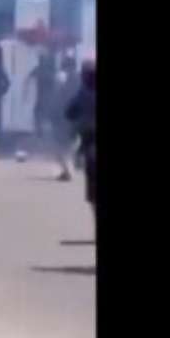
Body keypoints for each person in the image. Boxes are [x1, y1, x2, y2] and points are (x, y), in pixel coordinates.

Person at [66, 60, 96, 227]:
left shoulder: (82, 93)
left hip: (89, 141)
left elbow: (69, 112)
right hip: (89, 141)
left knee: (92, 190)